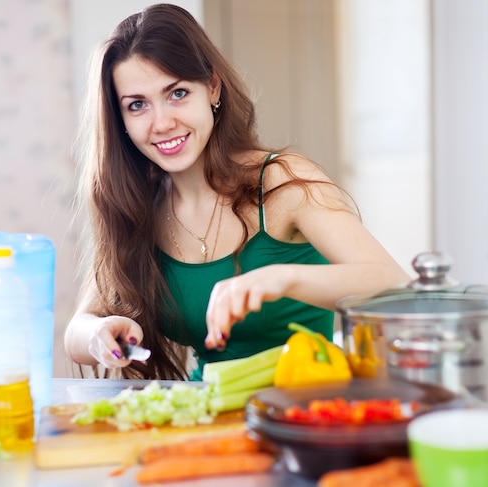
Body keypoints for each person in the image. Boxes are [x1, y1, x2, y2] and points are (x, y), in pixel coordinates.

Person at [64, 3, 409, 381]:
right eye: (137, 105)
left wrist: (281, 278)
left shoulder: (281, 181)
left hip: (305, 415)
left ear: (212, 88)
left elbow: (393, 285)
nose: (161, 123)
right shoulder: (138, 206)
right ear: (122, 120)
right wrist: (98, 335)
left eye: (177, 93)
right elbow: (77, 331)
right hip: (206, 418)